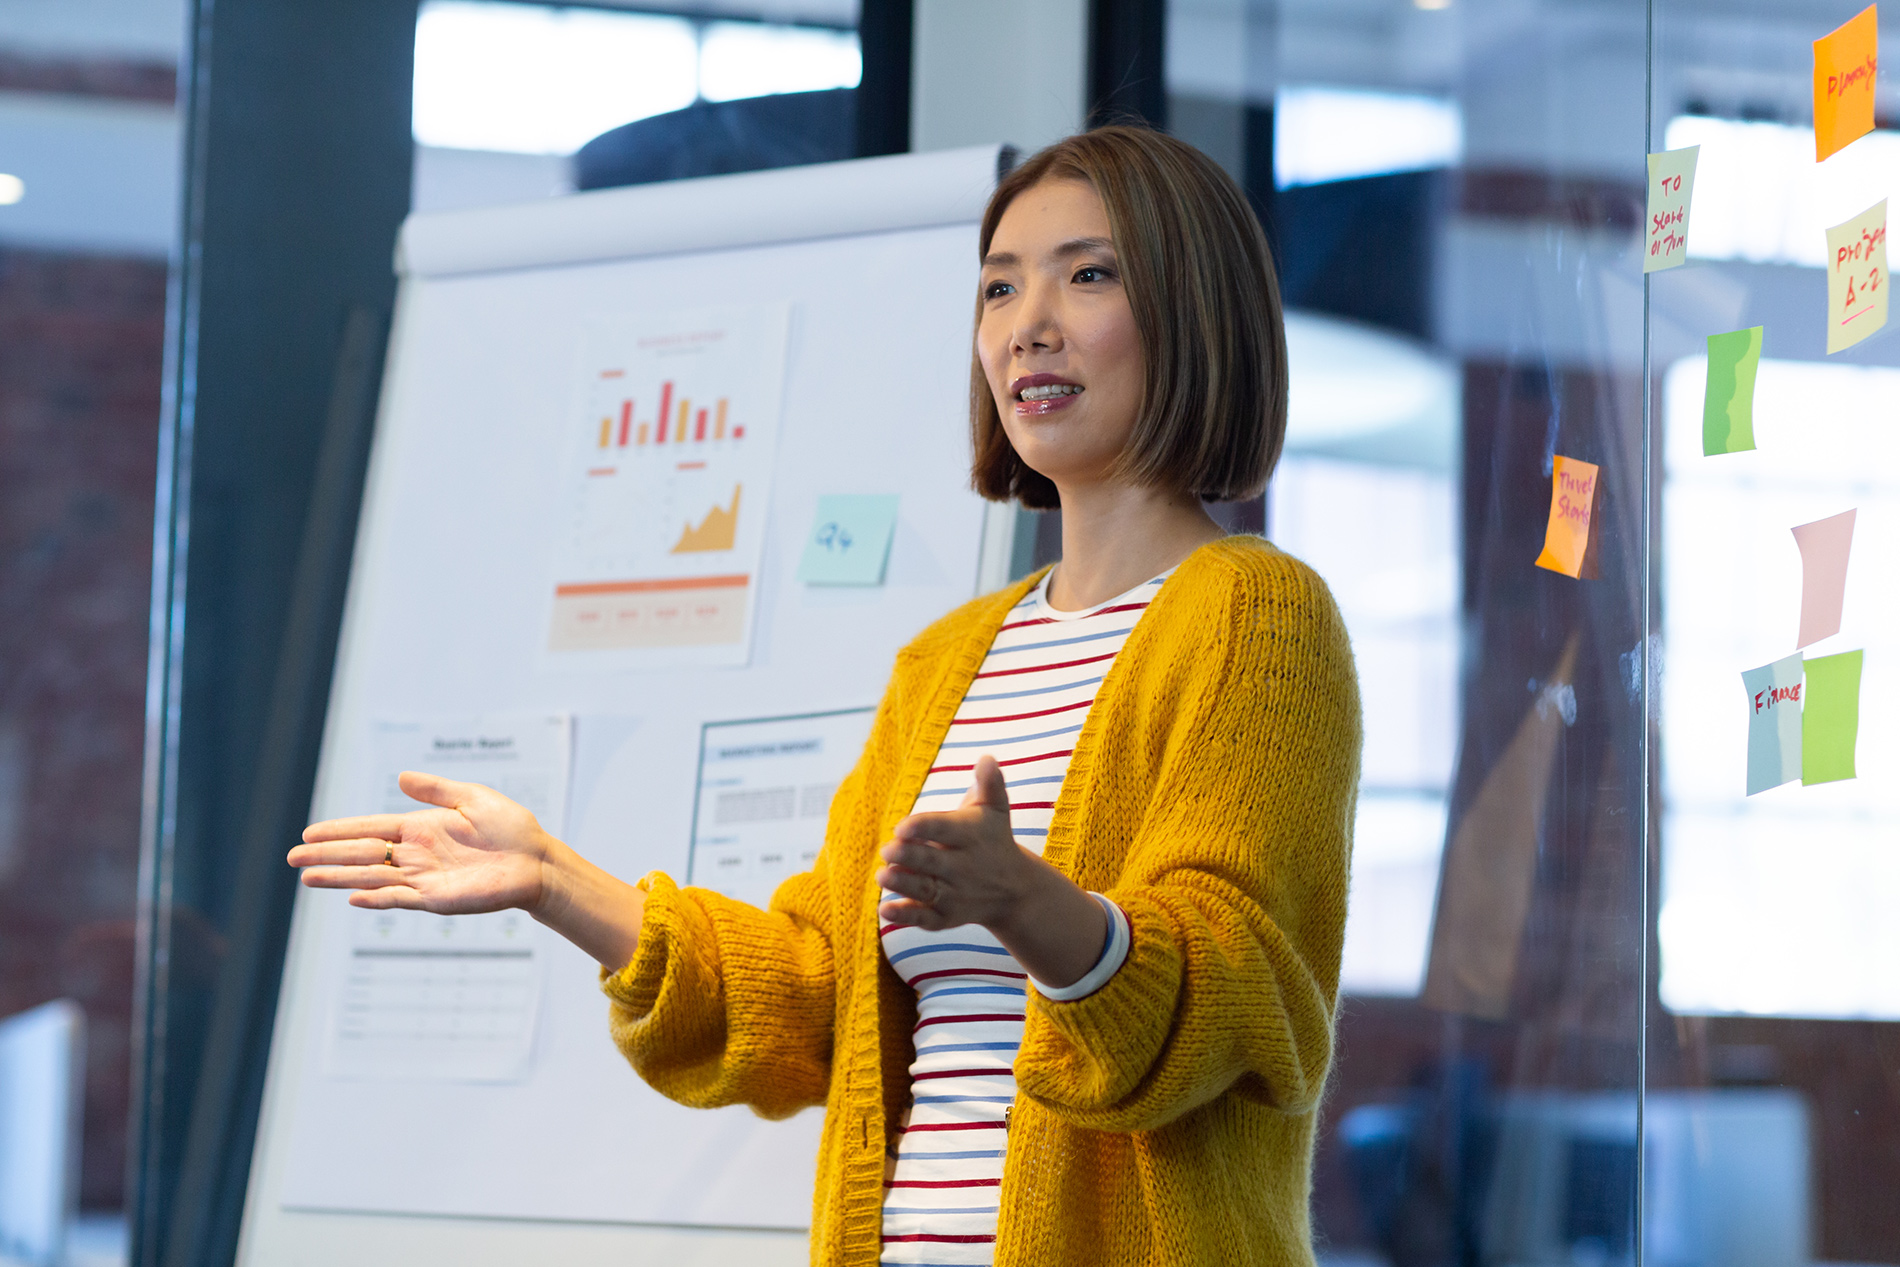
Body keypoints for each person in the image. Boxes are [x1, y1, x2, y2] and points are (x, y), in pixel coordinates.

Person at [289, 125, 1362, 1267]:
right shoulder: (946, 660)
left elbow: (1248, 995)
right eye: (998, 287)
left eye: (1086, 273)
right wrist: (556, 883)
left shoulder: (1255, 611)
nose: (1026, 322)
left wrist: (1023, 901)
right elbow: (816, 999)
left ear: (1195, 310)